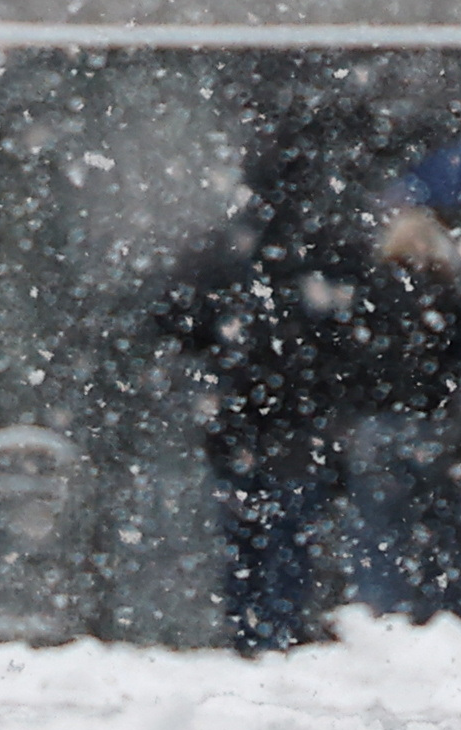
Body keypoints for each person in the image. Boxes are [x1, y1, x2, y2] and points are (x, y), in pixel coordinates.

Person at [146, 119, 438, 655]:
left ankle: (256, 634)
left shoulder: (233, 252)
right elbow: (370, 340)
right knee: (291, 543)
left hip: (243, 425)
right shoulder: (330, 254)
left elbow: (176, 316)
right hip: (306, 428)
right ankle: (278, 635)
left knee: (250, 544)